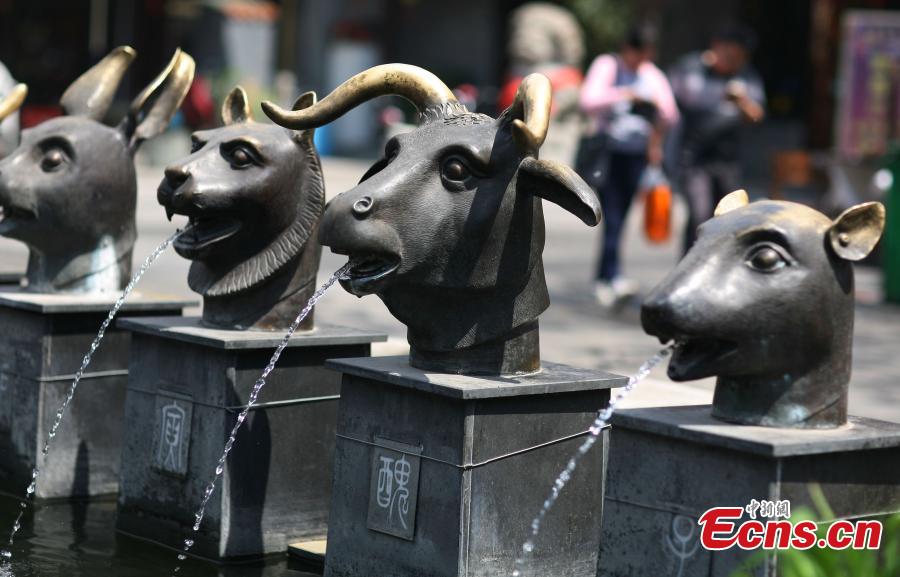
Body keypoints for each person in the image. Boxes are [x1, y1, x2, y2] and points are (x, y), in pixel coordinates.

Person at [578, 24, 678, 307]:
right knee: (612, 214)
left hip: (637, 154)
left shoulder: (651, 74)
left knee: (620, 216)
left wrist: (652, 113)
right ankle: (609, 276)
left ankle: (607, 276)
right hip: (609, 152)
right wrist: (624, 95)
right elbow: (588, 100)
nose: (640, 61)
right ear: (627, 49)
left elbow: (670, 114)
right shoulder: (607, 65)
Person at [668, 23, 766, 251]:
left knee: (728, 218)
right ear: (717, 48)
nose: (734, 62)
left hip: (727, 161)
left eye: (739, 58)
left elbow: (757, 116)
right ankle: (689, 268)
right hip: (694, 159)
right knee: (699, 217)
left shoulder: (746, 76)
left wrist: (741, 101)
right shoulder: (690, 69)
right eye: (730, 55)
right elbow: (671, 107)